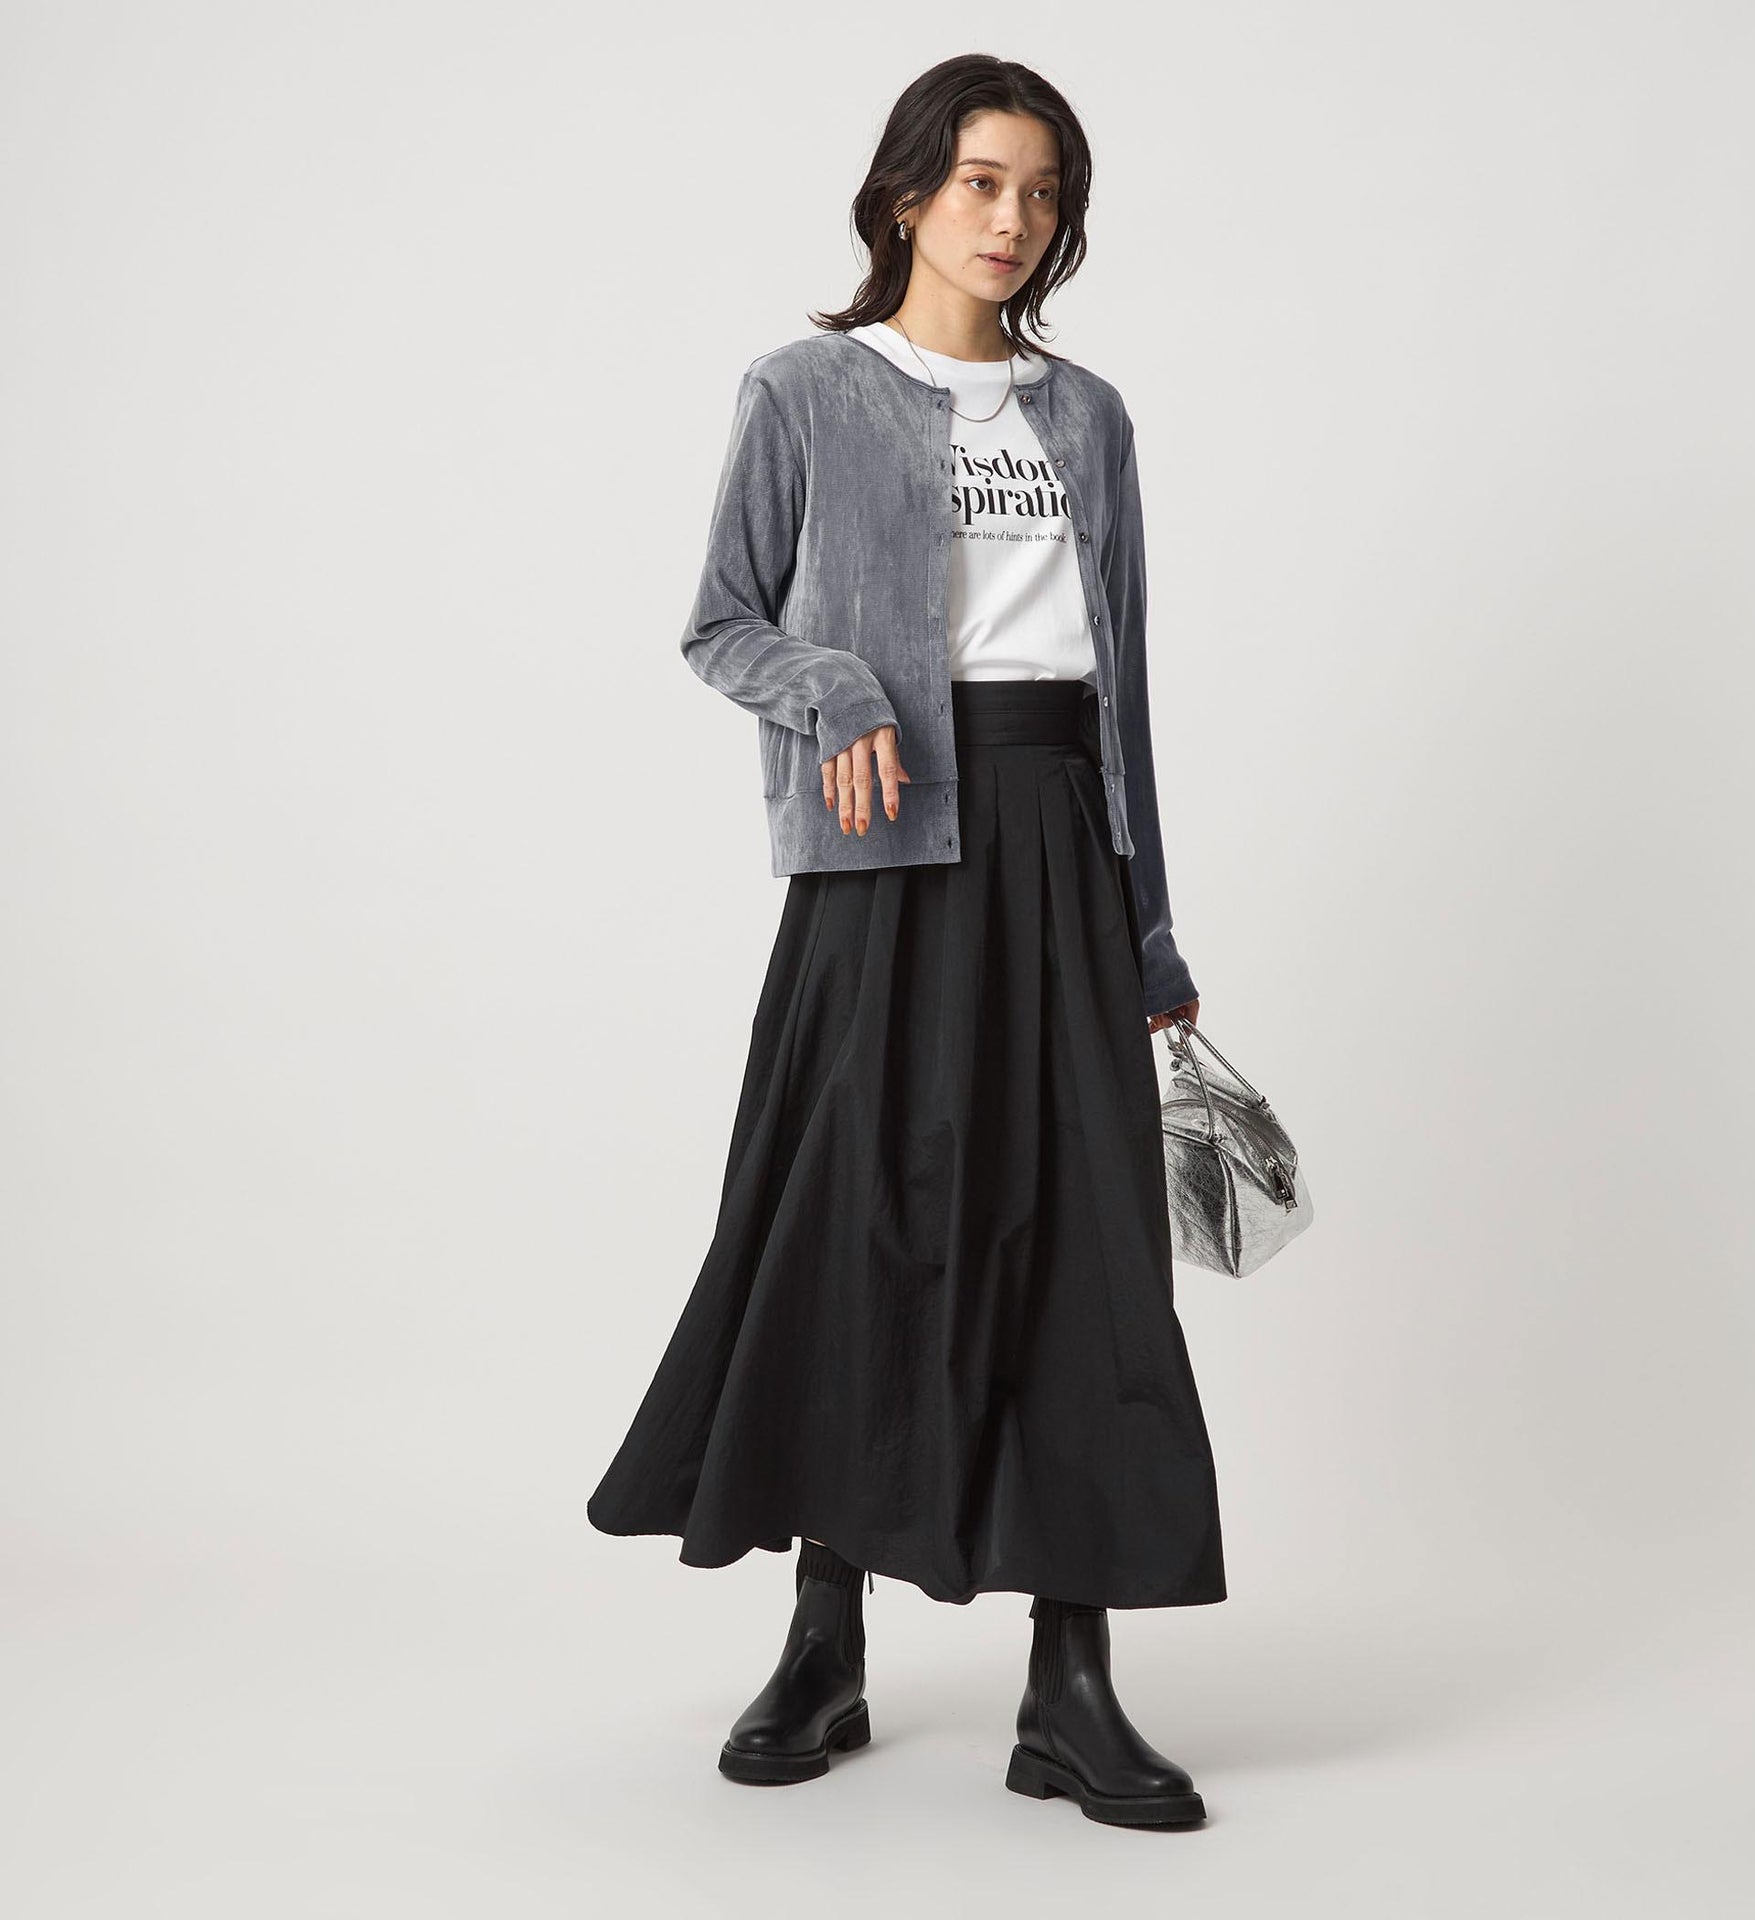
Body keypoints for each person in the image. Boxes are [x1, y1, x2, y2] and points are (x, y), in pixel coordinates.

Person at [586, 53, 1225, 1830]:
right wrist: (839, 688)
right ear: (907, 195)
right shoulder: (805, 390)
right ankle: (824, 1639)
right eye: (982, 183)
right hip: (880, 856)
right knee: (851, 1224)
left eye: (1042, 192)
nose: (1013, 220)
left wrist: (1149, 929)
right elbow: (722, 622)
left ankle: (1071, 1683)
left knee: (1089, 1252)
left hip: (1057, 843)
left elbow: (1124, 693)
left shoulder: (1089, 418)